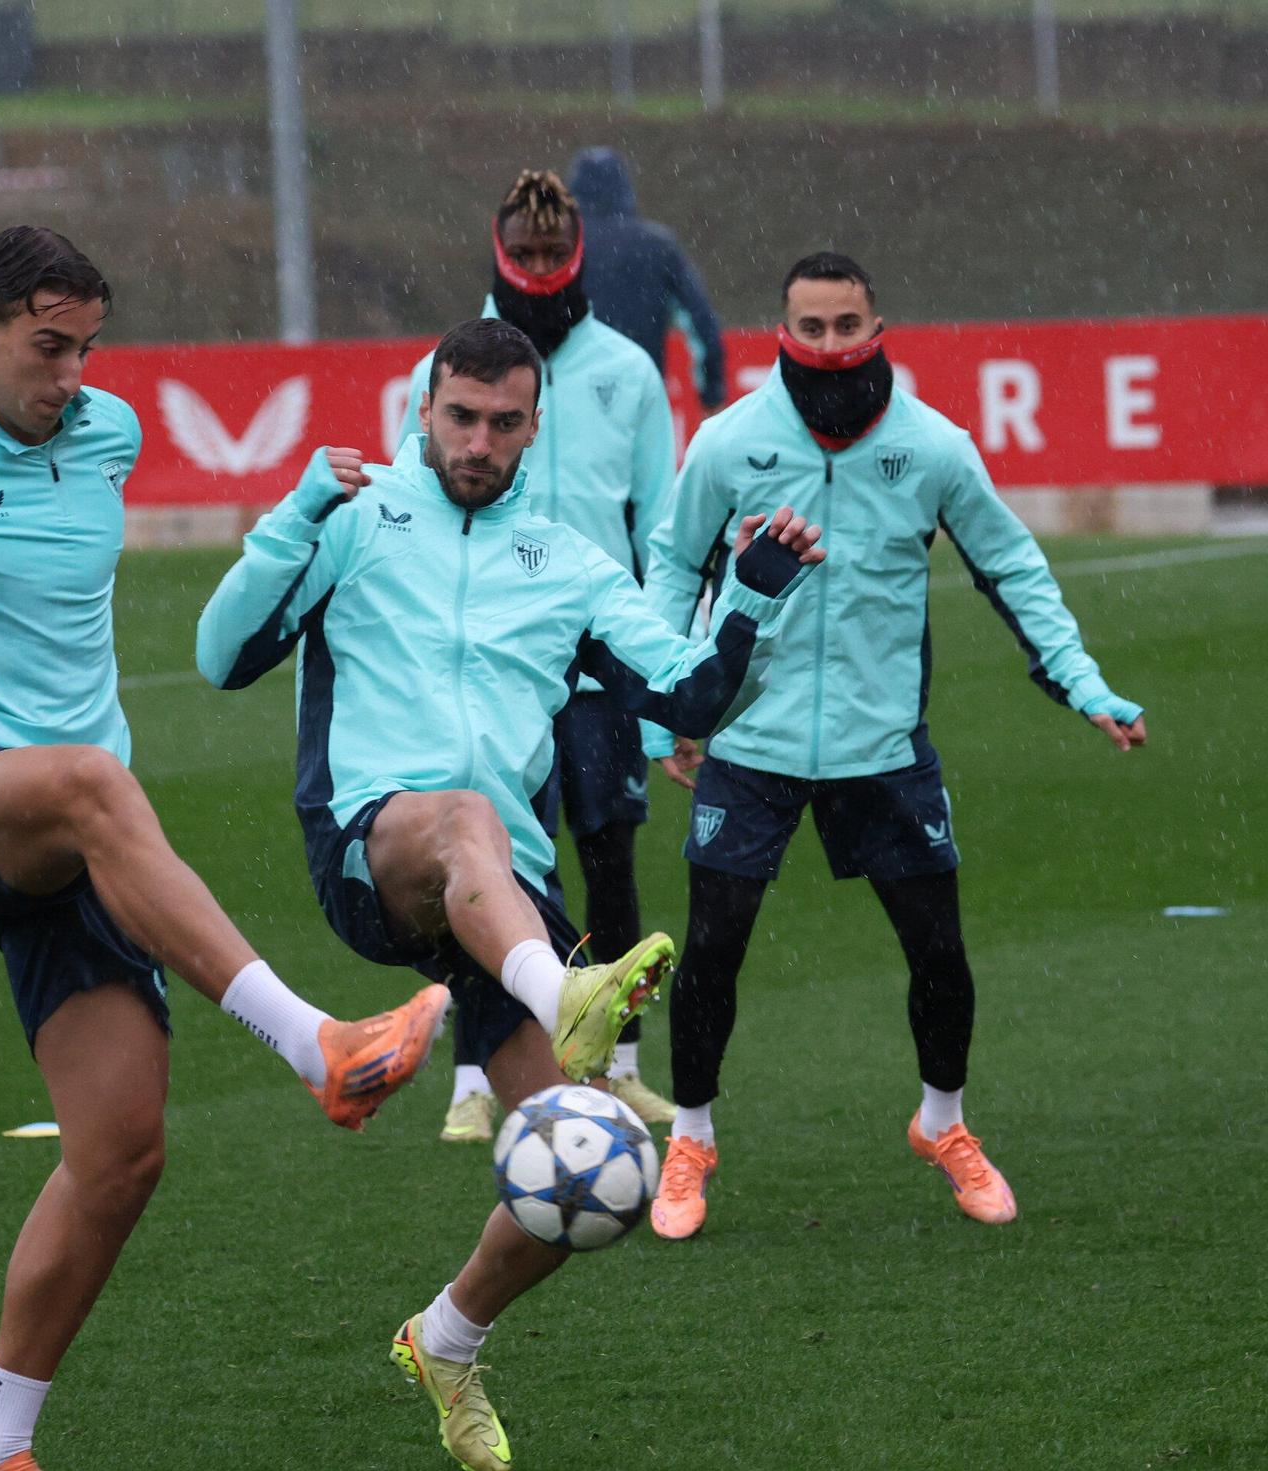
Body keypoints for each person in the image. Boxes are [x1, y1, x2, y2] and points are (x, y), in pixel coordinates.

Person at [0, 226, 446, 1471]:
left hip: (88, 848)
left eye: (85, 349)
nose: (70, 377)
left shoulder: (106, 435)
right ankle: (319, 1048)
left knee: (119, 1155)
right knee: (92, 777)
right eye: (46, 348)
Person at [198, 317, 824, 1471]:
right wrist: (290, 516)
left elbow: (685, 692)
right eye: (458, 417)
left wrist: (750, 597)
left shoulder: (571, 565)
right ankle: (572, 993)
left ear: (533, 429)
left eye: (501, 423)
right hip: (371, 845)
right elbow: (219, 654)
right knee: (460, 815)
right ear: (423, 410)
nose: (477, 441)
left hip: (501, 892)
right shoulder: (355, 518)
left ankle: (445, 1336)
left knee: (593, 1172)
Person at [640, 251, 1148, 1242]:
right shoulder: (727, 443)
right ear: (780, 332)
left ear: (876, 328)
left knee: (939, 958)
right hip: (750, 741)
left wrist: (1080, 681)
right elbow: (669, 564)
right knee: (711, 951)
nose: (827, 343)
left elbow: (1013, 568)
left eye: (844, 325)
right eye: (809, 326)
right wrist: (669, 706)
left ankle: (941, 1124)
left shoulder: (934, 448)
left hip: (882, 747)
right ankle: (691, 1138)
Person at [397, 169, 679, 1140]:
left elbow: (665, 528)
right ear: (499, 251)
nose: (540, 273)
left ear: (577, 260)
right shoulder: (443, 372)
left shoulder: (626, 373)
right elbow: (408, 509)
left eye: (555, 260)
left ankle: (621, 1063)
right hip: (484, 657)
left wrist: (663, 675)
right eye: (526, 259)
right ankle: (472, 1076)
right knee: (491, 859)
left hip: (596, 660)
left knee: (606, 854)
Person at [567, 145, 727, 414]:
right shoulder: (657, 245)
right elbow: (702, 324)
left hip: (569, 400)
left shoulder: (556, 248)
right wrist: (712, 395)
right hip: (640, 397)